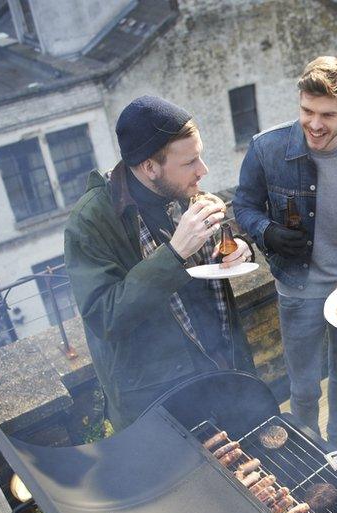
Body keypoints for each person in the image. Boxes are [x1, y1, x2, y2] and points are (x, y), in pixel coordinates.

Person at [65, 96, 257, 430]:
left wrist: (240, 249)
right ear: (150, 167)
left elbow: (213, 258)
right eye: (190, 162)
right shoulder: (90, 221)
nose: (203, 170)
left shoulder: (181, 191)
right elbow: (104, 317)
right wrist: (174, 253)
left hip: (224, 369)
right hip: (159, 400)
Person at [233, 57, 337, 446]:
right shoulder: (265, 148)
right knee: (302, 387)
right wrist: (266, 232)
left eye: (327, 114)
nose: (315, 124)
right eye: (307, 111)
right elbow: (243, 207)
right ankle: (308, 448)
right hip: (296, 289)